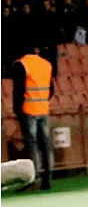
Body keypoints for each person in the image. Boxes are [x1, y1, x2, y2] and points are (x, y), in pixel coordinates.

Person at [11, 43, 54, 190]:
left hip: (28, 110)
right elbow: (51, 89)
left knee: (32, 144)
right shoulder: (46, 64)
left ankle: (34, 178)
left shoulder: (21, 64)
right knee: (46, 144)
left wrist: (17, 110)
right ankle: (48, 178)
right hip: (43, 109)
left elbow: (18, 91)